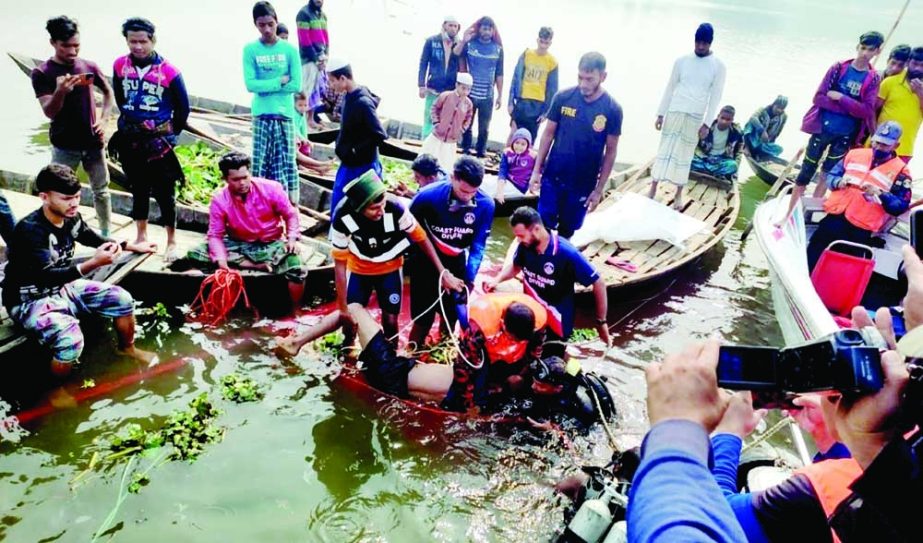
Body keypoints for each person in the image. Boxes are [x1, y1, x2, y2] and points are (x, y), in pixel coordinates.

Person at [278, 171, 464, 351]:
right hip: (359, 269)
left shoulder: (395, 207)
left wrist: (442, 271)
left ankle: (391, 354)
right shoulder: (343, 216)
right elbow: (340, 266)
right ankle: (347, 348)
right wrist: (342, 306)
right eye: (374, 208)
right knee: (350, 318)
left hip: (390, 268)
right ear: (359, 208)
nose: (381, 211)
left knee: (391, 320)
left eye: (382, 205)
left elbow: (421, 238)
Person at [1, 164, 156, 377]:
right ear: (44, 197)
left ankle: (127, 348)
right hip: (28, 299)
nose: (74, 203)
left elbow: (89, 236)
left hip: (63, 287)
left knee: (122, 299)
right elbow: (45, 277)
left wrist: (127, 245)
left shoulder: (71, 216)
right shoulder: (30, 231)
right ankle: (57, 390)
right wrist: (93, 263)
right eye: (66, 199)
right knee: (71, 341)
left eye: (77, 196)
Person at [626, 339, 748, 542]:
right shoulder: (812, 491)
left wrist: (677, 426)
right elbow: (724, 511)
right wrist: (730, 435)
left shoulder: (805, 493)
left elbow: (677, 532)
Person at [779, 32, 884, 225]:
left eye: (870, 50)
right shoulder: (838, 68)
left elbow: (866, 111)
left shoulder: (873, 78)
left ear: (877, 51)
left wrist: (841, 98)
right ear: (857, 46)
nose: (864, 53)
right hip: (822, 130)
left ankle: (804, 216)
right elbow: (819, 97)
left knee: (826, 175)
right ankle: (787, 215)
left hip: (845, 135)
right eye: (862, 47)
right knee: (804, 174)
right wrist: (849, 107)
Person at [182, 152, 306, 314]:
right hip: (238, 243)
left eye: (245, 177)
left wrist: (292, 239)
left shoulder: (271, 188)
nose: (242, 183)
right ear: (225, 179)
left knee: (297, 268)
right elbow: (215, 235)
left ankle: (296, 310)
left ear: (249, 173)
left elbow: (290, 215)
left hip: (270, 243)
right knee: (195, 253)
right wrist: (221, 261)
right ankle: (251, 265)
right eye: (236, 180)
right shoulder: (220, 200)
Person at [482, 207, 610, 359]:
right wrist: (496, 280)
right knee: (528, 356)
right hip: (532, 315)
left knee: (551, 361)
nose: (519, 240)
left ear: (536, 229)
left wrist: (601, 322)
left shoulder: (567, 253)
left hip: (556, 320)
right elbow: (516, 266)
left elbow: (598, 282)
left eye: (521, 236)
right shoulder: (525, 246)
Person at [111, 17, 189, 263]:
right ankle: (141, 236)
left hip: (158, 140)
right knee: (138, 187)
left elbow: (183, 108)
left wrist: (169, 133)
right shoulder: (119, 66)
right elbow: (120, 97)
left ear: (152, 40)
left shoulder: (169, 71)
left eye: (142, 41)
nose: (137, 47)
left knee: (166, 192)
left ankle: (172, 241)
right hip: (131, 137)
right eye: (132, 41)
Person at [31, 15, 113, 237]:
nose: (72, 52)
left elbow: (108, 92)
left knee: (102, 191)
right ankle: (55, 231)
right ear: (53, 43)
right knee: (56, 192)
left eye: (76, 46)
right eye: (66, 46)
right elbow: (49, 111)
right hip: (64, 144)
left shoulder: (88, 66)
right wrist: (60, 92)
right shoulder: (42, 73)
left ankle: (105, 232)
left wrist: (104, 119)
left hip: (93, 142)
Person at [528, 52, 622, 238]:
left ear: (603, 77)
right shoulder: (563, 97)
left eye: (589, 79)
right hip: (553, 176)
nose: (583, 84)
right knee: (542, 226)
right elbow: (548, 134)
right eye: (580, 77)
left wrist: (598, 189)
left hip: (583, 183)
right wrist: (536, 171)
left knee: (567, 231)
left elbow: (610, 152)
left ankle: (560, 262)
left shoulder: (612, 109)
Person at [407, 156, 495, 347]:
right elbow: (410, 234)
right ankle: (412, 351)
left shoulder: (486, 204)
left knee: (451, 315)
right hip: (424, 262)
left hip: (456, 261)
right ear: (452, 177)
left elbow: (478, 245)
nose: (467, 197)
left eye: (473, 192)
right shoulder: (426, 196)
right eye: (463, 191)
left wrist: (470, 280)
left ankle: (443, 348)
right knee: (422, 319)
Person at [806, 121, 911, 270]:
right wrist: (837, 182)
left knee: (841, 269)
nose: (878, 147)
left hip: (860, 230)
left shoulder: (901, 172)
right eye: (877, 142)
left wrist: (881, 194)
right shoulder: (854, 154)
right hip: (835, 217)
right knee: (812, 255)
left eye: (885, 145)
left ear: (896, 146)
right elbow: (832, 176)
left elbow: (900, 206)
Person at [650, 22, 727, 210]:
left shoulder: (718, 66)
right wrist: (660, 113)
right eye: (698, 42)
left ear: (710, 44)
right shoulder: (682, 61)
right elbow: (670, 87)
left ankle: (678, 194)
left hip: (695, 115)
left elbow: (715, 96)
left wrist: (707, 123)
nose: (700, 47)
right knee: (664, 150)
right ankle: (653, 188)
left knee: (684, 155)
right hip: (675, 110)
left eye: (704, 44)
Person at [243, 1, 302, 205]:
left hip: (284, 114)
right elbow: (251, 85)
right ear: (256, 25)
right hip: (261, 114)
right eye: (262, 25)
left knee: (287, 163)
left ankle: (288, 205)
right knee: (259, 163)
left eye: (270, 24)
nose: (267, 29)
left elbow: (296, 84)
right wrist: (278, 81)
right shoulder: (251, 50)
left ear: (276, 21)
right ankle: (257, 204)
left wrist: (266, 86)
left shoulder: (289, 50)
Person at [327, 59, 388, 212]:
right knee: (339, 205)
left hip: (362, 166)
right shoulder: (348, 96)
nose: (331, 85)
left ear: (343, 78)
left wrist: (355, 150)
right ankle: (338, 234)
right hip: (348, 164)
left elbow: (379, 135)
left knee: (362, 208)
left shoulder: (363, 102)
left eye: (332, 81)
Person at [455, 16, 504, 158]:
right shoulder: (470, 45)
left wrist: (500, 95)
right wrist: (464, 39)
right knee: (467, 123)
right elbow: (457, 55)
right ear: (479, 29)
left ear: (493, 31)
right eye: (484, 28)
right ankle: (465, 149)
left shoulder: (498, 49)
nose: (487, 31)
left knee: (484, 127)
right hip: (469, 92)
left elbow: (500, 73)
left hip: (487, 95)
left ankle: (480, 152)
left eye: (489, 29)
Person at [508, 27, 558, 142]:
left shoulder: (552, 62)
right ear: (537, 40)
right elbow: (515, 78)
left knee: (530, 138)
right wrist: (510, 102)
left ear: (550, 43)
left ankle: (526, 160)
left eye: (546, 43)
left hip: (538, 104)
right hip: (522, 100)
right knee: (513, 133)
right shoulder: (527, 54)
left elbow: (553, 90)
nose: (543, 45)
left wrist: (546, 113)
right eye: (541, 41)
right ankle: (506, 158)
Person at [875, 46, 923, 163]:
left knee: (893, 181)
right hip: (877, 144)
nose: (918, 68)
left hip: (904, 149)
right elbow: (872, 111)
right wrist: (873, 134)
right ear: (908, 62)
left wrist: (920, 94)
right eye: (915, 64)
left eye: (922, 66)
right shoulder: (889, 82)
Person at [420, 72, 474, 172]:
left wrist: (461, 130)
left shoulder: (468, 104)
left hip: (451, 140)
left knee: (446, 166)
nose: (465, 92)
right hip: (438, 135)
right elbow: (434, 108)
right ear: (457, 85)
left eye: (468, 89)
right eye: (463, 88)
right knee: (427, 159)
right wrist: (437, 123)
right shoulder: (445, 96)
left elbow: (468, 118)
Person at [418, 16, 461, 139]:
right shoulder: (432, 41)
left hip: (450, 90)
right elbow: (423, 63)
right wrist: (421, 85)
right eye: (450, 25)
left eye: (455, 26)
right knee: (429, 116)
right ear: (444, 25)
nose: (453, 29)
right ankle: (425, 141)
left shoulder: (459, 45)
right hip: (433, 87)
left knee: (445, 119)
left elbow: (463, 67)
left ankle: (439, 143)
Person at [295, 0, 328, 127]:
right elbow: (305, 41)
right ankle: (300, 120)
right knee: (305, 91)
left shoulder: (322, 15)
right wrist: (315, 59)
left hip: (321, 58)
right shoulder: (304, 14)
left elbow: (326, 38)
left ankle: (310, 119)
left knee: (316, 90)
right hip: (308, 59)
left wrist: (326, 57)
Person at [691, 105, 744, 180]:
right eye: (722, 118)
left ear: (732, 120)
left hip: (721, 160)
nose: (724, 121)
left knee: (733, 166)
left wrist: (736, 169)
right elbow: (693, 143)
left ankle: (707, 171)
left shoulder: (737, 132)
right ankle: (713, 172)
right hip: (703, 157)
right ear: (718, 116)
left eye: (728, 119)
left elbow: (739, 152)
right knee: (689, 158)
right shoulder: (707, 126)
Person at [293, 91, 335, 175]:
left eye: (305, 105)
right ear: (294, 105)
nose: (303, 108)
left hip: (299, 140)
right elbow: (294, 129)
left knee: (305, 151)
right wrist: (302, 139)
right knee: (298, 154)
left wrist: (306, 140)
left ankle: (319, 168)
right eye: (300, 105)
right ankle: (320, 165)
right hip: (296, 139)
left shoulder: (302, 114)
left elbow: (303, 129)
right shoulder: (293, 114)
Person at [495, 128, 536, 203]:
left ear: (528, 145)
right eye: (517, 142)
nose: (519, 146)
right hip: (508, 182)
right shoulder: (507, 153)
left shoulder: (533, 157)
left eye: (523, 144)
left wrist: (531, 188)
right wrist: (500, 191)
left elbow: (537, 173)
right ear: (513, 142)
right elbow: (502, 171)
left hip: (523, 187)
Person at [743, 95, 789, 160]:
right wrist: (762, 131)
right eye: (778, 107)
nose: (779, 110)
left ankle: (760, 153)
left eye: (782, 108)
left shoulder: (783, 117)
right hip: (754, 139)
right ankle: (746, 148)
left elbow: (778, 132)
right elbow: (753, 118)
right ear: (774, 104)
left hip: (763, 143)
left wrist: (770, 142)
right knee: (750, 123)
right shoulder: (762, 110)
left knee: (779, 149)